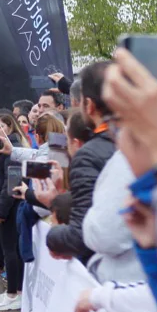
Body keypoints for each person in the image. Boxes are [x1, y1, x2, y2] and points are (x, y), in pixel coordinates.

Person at [44, 62, 116, 263]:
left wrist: (53, 232)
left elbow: (80, 235)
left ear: (89, 106)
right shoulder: (143, 142)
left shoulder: (88, 155)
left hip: (104, 270)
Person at [0, 113, 28, 312]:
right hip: (8, 206)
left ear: (10, 126)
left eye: (0, 125)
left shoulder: (11, 151)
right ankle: (15, 290)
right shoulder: (6, 150)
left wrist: (1, 211)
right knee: (11, 251)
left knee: (10, 251)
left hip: (10, 208)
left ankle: (14, 293)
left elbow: (10, 184)